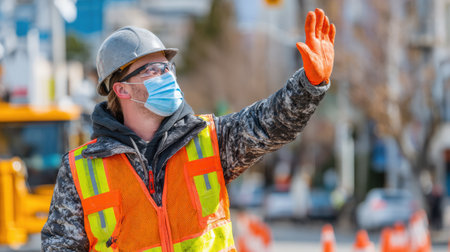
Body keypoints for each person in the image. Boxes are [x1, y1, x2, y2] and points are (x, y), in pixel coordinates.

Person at [41, 8, 335, 251]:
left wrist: (309, 85)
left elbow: (270, 123)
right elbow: (60, 246)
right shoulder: (81, 170)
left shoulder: (210, 139)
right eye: (152, 70)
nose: (166, 76)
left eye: (167, 68)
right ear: (122, 89)